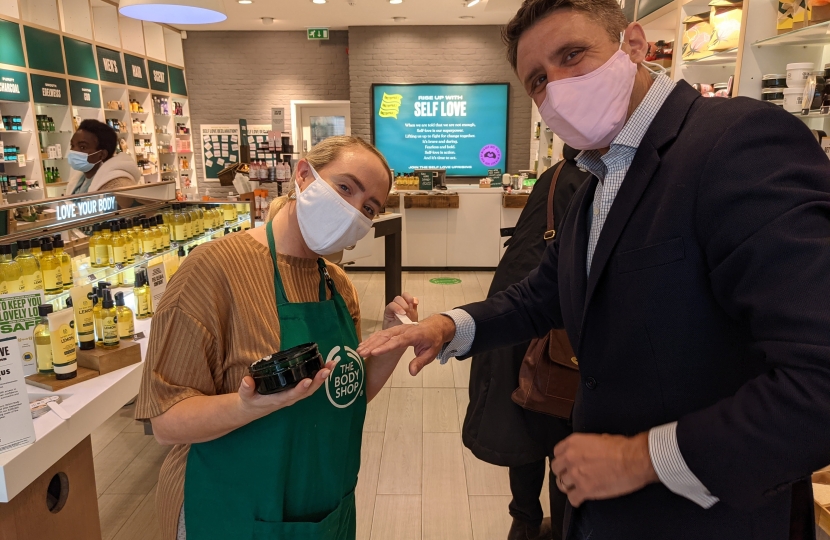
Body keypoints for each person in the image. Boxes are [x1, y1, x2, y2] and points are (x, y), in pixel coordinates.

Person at [358, 0, 830, 538]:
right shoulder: (597, 182)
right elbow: (542, 296)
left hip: (711, 518)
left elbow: (819, 376)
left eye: (573, 55)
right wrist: (448, 326)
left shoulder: (738, 144)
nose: (556, 87)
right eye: (538, 80)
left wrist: (641, 459)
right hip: (601, 509)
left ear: (633, 45)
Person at [136, 136, 418, 540]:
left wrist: (393, 338)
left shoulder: (337, 285)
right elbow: (165, 421)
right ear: (303, 175)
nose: (354, 210)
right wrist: (247, 406)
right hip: (231, 511)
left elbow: (341, 397)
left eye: (369, 207)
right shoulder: (212, 271)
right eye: (345, 187)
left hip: (322, 509)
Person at [464, 145, 589, 540]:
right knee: (559, 429)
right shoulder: (598, 179)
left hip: (509, 310)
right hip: (549, 324)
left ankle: (525, 521)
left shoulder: (552, 176)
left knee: (522, 414)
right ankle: (561, 526)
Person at [65, 119, 140, 195]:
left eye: (82, 147)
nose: (73, 151)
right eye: (72, 145)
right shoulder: (79, 180)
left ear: (102, 154)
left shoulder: (117, 185)